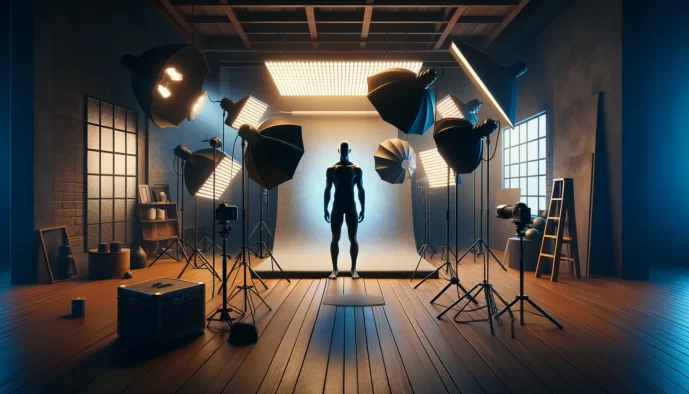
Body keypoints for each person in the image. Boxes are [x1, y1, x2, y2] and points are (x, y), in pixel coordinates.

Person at [324, 141, 365, 279]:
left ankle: (353, 269)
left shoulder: (356, 169)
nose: (344, 152)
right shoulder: (332, 169)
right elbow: (327, 190)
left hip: (350, 206)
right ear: (338, 151)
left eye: (346, 150)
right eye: (342, 150)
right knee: (335, 238)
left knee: (353, 238)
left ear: (350, 151)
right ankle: (335, 269)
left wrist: (363, 208)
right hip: (337, 206)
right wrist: (325, 208)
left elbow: (361, 190)